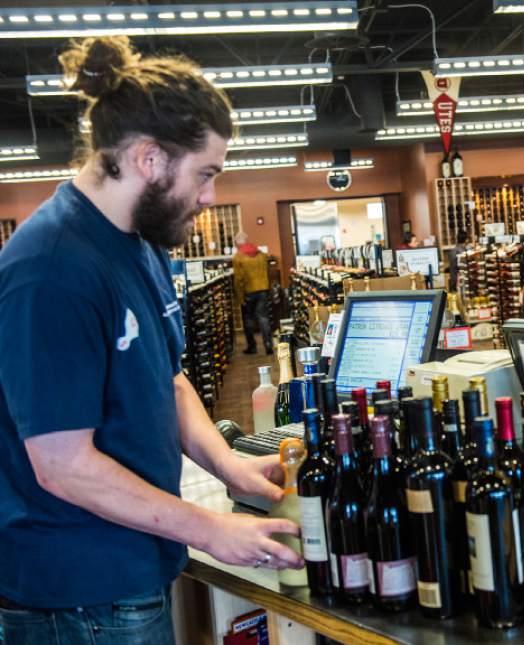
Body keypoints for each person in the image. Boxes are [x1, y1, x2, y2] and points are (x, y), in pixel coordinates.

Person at [0, 36, 303, 643]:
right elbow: (63, 468)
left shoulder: (139, 244)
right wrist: (208, 529)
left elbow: (166, 375)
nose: (211, 196)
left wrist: (229, 466)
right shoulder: (50, 270)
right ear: (149, 159)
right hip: (79, 596)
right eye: (207, 173)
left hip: (130, 566)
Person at [232, 230, 273, 355]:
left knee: (248, 319)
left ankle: (252, 346)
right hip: (263, 289)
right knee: (263, 318)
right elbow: (268, 271)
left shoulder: (238, 257)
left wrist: (240, 297)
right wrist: (268, 288)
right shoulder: (261, 254)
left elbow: (239, 279)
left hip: (248, 292)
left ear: (237, 244)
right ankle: (268, 344)